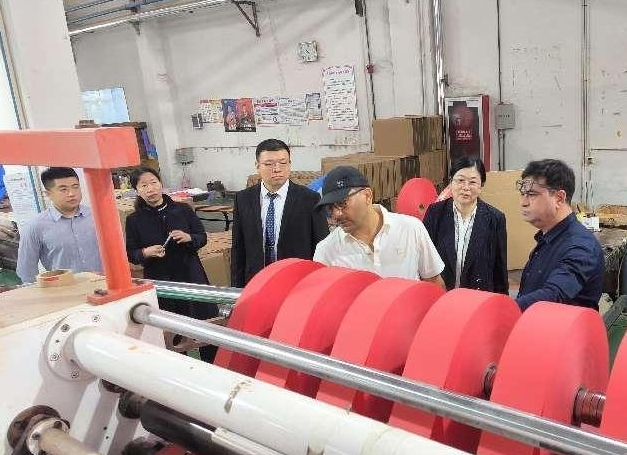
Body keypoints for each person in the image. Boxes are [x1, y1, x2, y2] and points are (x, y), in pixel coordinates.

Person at [125, 167, 219, 362]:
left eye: (153, 182)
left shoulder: (182, 210)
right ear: (137, 190)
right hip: (162, 283)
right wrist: (145, 252)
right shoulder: (134, 220)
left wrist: (189, 238)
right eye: (144, 185)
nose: (150, 188)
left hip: (192, 276)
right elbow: (131, 254)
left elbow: (202, 237)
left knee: (205, 331)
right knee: (172, 335)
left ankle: (213, 367)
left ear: (161, 184)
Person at [313, 165, 445, 286]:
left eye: (342, 203)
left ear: (367, 196)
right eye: (330, 208)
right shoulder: (326, 251)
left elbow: (433, 281)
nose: (337, 214)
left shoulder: (410, 229)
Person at [231, 139, 329, 287]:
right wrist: (237, 289)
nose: (277, 169)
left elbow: (322, 246)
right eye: (269, 164)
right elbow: (238, 248)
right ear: (257, 166)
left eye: (283, 163)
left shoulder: (309, 199)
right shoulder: (243, 199)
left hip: (298, 282)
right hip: (257, 281)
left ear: (290, 164)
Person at [515, 159, 604, 311]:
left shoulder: (580, 247)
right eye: (522, 194)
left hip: (562, 325)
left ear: (559, 198)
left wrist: (504, 309)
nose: (523, 202)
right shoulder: (548, 237)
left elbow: (553, 295)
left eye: (531, 194)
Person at [423, 157, 508, 293]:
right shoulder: (435, 213)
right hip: (442, 296)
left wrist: (502, 300)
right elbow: (424, 258)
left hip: (477, 298)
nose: (466, 187)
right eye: (460, 180)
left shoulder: (495, 218)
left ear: (481, 185)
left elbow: (499, 269)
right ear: (451, 182)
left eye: (472, 182)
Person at [16, 167, 103, 283]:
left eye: (75, 187)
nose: (71, 193)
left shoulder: (97, 217)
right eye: (63, 189)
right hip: (64, 290)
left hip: (104, 287)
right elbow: (26, 271)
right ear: (48, 194)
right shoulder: (36, 226)